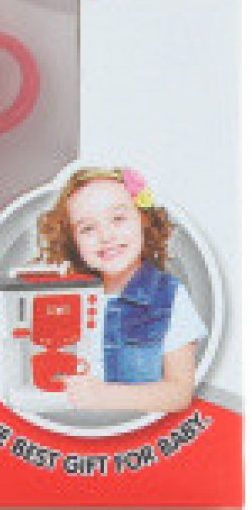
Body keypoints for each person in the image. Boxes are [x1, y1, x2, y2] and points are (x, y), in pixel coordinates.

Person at [37, 167, 205, 412]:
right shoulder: (65, 297)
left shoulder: (170, 296)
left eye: (118, 219)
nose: (106, 236)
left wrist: (106, 396)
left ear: (143, 219)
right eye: (87, 228)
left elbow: (179, 394)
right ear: (73, 241)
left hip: (139, 432)